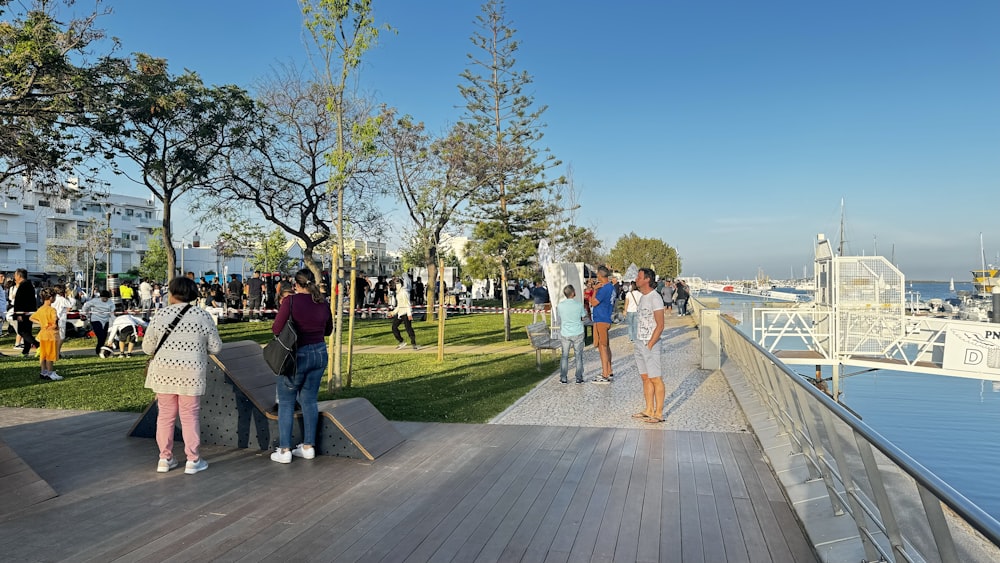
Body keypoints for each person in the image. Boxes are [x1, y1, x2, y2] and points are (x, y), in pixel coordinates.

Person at [143, 276, 223, 474]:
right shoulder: (202, 316)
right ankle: (193, 460)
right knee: (189, 416)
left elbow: (147, 347)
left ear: (171, 293)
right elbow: (216, 347)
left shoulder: (160, 315)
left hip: (164, 373)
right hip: (191, 374)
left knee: (165, 416)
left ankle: (164, 458)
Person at [271, 269, 332, 464]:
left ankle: (285, 449)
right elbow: (329, 330)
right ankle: (308, 447)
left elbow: (276, 328)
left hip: (297, 356)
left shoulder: (290, 302)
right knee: (310, 400)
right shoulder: (323, 302)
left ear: (296, 284)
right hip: (320, 353)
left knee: (287, 402)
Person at [631, 268, 666, 423]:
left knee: (655, 378)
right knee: (645, 378)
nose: (636, 279)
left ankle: (658, 413)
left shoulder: (655, 298)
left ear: (647, 280)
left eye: (639, 277)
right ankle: (648, 409)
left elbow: (660, 325)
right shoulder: (642, 297)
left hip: (650, 343)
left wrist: (650, 343)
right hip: (639, 341)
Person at [28, 289, 62, 381]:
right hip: (51, 335)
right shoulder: (52, 310)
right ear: (51, 298)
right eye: (54, 297)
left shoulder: (40, 309)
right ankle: (50, 373)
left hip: (42, 334)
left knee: (43, 354)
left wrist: (41, 323)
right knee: (50, 355)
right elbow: (55, 323)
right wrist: (54, 325)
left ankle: (43, 372)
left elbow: (31, 318)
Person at [589, 266, 615, 384]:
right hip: (607, 318)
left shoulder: (604, 289)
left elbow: (593, 302)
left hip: (601, 319)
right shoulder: (611, 287)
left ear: (599, 275)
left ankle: (605, 374)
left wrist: (595, 290)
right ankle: (609, 370)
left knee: (602, 346)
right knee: (606, 345)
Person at [556, 285, 587, 384]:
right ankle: (578, 377)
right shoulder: (579, 305)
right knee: (578, 355)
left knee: (565, 355)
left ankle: (563, 377)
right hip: (577, 332)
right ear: (573, 293)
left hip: (565, 332)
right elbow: (583, 317)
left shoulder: (560, 305)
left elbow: (560, 316)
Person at [82, 290, 116, 356]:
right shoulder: (95, 301)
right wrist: (84, 313)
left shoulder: (111, 303)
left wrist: (114, 321)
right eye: (103, 298)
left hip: (105, 320)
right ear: (100, 297)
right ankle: (98, 351)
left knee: (104, 336)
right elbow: (86, 305)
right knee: (100, 336)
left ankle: (101, 350)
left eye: (106, 298)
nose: (105, 299)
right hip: (96, 319)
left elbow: (112, 313)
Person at [12, 269, 38, 356]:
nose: (14, 277)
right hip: (27, 312)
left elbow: (20, 301)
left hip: (24, 313)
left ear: (19, 276)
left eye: (15, 275)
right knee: (27, 331)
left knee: (22, 331)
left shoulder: (24, 286)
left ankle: (38, 345)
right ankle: (25, 351)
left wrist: (19, 314)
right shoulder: (28, 285)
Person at [388, 278, 418, 351]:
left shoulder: (404, 292)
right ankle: (401, 342)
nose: (392, 286)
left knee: (408, 328)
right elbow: (399, 305)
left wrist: (409, 314)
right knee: (394, 327)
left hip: (406, 313)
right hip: (400, 313)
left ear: (398, 284)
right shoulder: (398, 293)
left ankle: (414, 344)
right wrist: (393, 312)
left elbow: (407, 303)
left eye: (393, 284)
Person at [51, 284, 73, 358]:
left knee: (54, 337)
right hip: (61, 319)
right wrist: (69, 296)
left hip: (52, 319)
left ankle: (54, 352)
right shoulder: (62, 299)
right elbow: (70, 306)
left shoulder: (51, 299)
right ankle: (57, 352)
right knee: (62, 337)